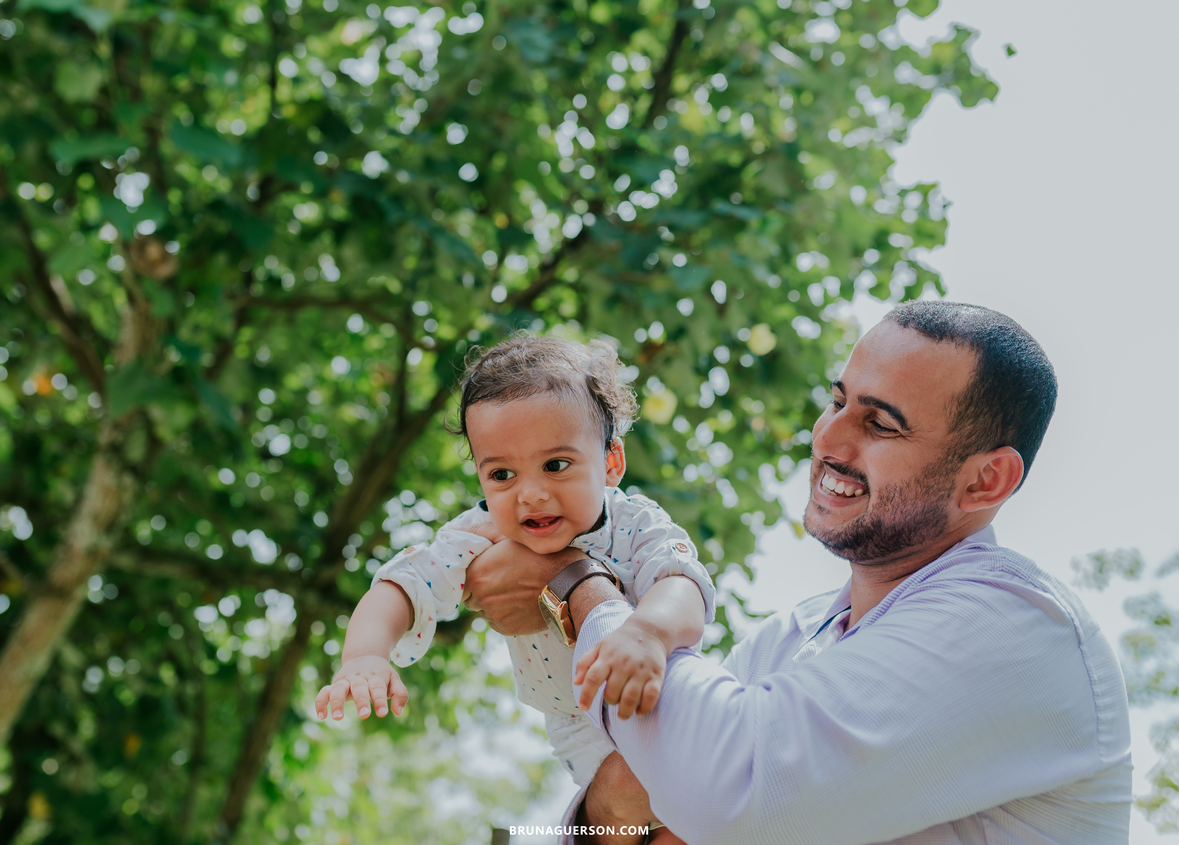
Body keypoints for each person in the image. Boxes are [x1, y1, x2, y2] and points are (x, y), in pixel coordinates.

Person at [462, 302, 1133, 844]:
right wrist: (624, 804)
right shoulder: (787, 638)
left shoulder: (1014, 623)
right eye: (838, 401)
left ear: (986, 478)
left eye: (881, 425)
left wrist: (577, 582)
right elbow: (646, 801)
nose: (830, 441)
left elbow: (729, 794)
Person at [314, 336, 714, 839]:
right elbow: (403, 583)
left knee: (694, 809)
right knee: (638, 809)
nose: (530, 493)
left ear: (611, 462)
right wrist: (364, 657)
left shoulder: (634, 523)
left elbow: (683, 584)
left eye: (555, 465)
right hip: (580, 726)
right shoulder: (478, 535)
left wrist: (649, 633)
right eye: (502, 474)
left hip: (660, 687)